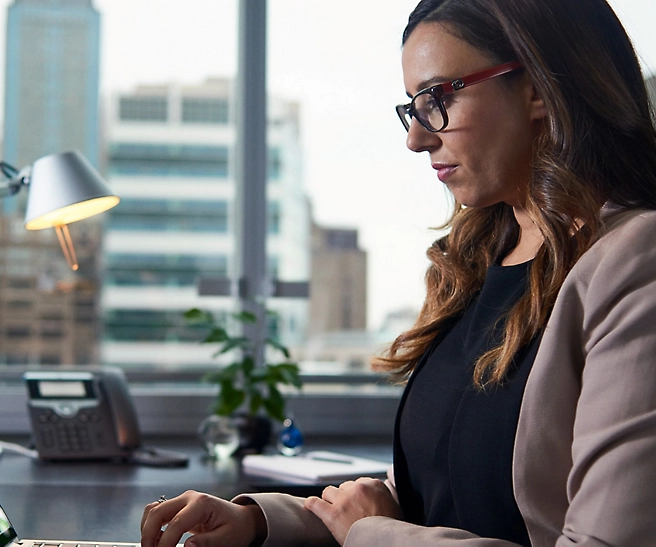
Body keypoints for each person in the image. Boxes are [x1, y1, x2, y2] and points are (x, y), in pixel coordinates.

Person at [140, 0, 656, 545]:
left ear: (537, 88)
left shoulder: (633, 260)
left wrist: (370, 533)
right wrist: (260, 522)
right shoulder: (481, 260)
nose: (417, 137)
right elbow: (426, 494)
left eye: (438, 98)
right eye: (414, 106)